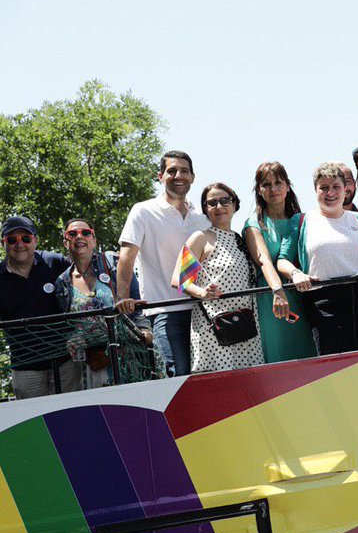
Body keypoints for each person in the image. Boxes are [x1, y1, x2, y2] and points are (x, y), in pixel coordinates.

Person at [278, 163, 358, 356]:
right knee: (334, 366)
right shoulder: (301, 221)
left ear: (345, 190)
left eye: (335, 186)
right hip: (324, 303)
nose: (330, 193)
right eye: (324, 187)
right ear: (315, 190)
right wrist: (296, 274)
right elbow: (283, 260)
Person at [116, 150, 209, 376]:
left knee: (207, 377)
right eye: (172, 170)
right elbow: (126, 257)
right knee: (178, 376)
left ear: (193, 177)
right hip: (166, 311)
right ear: (160, 176)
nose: (179, 175)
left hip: (203, 310)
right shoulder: (143, 211)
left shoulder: (202, 217)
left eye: (185, 171)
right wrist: (122, 298)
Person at [175, 183, 264, 373]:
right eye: (212, 203)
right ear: (205, 209)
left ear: (234, 204)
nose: (219, 206)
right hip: (213, 329)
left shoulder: (241, 239)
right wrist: (202, 292)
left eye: (224, 200)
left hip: (246, 328)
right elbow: (179, 279)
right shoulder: (201, 238)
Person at [54, 217, 153, 389]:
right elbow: (68, 329)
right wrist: (82, 349)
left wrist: (145, 332)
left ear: (94, 239)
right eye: (72, 234)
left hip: (131, 355)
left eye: (86, 233)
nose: (79, 236)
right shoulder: (62, 283)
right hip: (95, 365)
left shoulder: (114, 264)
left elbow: (137, 309)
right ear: (65, 241)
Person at [243, 162, 316, 363]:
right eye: (266, 184)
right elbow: (264, 261)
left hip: (303, 294)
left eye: (278, 182)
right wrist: (278, 291)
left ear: (288, 186)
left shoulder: (301, 220)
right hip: (271, 297)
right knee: (279, 359)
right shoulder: (254, 224)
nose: (273, 189)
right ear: (259, 190)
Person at [0, 215, 79, 397]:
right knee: (35, 423)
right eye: (12, 240)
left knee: (71, 418)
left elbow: (84, 285)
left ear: (35, 240)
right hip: (25, 367)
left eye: (26, 238)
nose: (19, 244)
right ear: (3, 243)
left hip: (65, 362)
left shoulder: (55, 263)